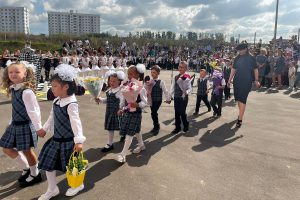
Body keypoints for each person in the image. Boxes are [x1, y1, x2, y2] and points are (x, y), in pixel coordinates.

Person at [37, 64, 86, 199]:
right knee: (48, 163)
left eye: (54, 86)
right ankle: (52, 188)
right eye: (52, 86)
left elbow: (76, 123)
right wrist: (44, 128)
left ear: (65, 87)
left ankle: (77, 185)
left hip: (69, 142)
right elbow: (52, 117)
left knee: (72, 167)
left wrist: (79, 141)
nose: (52, 89)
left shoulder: (71, 104)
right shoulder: (57, 101)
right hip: (56, 139)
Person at [0, 61, 43, 187]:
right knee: (7, 148)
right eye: (10, 72)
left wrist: (38, 128)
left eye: (17, 72)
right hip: (15, 124)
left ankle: (35, 174)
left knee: (27, 151)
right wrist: (10, 123)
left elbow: (34, 111)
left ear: (25, 74)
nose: (13, 74)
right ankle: (26, 167)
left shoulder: (27, 92)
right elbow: (16, 110)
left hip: (25, 125)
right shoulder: (14, 89)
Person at [117, 64, 147, 163]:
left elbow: (145, 102)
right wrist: (121, 108)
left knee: (130, 133)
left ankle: (123, 154)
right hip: (128, 111)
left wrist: (137, 105)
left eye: (131, 74)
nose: (129, 76)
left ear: (138, 75)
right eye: (128, 74)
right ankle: (141, 145)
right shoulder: (126, 85)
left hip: (136, 113)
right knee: (136, 130)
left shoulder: (141, 87)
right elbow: (123, 98)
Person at [227, 42, 260, 128]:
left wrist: (256, 80)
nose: (239, 51)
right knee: (238, 99)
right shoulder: (237, 58)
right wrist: (229, 80)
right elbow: (233, 69)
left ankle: (240, 119)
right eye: (238, 50)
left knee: (242, 99)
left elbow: (256, 69)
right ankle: (240, 114)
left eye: (240, 50)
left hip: (247, 81)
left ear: (245, 49)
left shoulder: (251, 58)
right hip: (237, 81)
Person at [95, 71, 125, 152]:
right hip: (109, 112)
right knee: (110, 128)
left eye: (114, 81)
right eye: (110, 81)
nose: (112, 82)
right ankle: (110, 144)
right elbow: (107, 100)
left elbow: (123, 101)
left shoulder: (120, 91)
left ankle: (124, 134)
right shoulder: (109, 90)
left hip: (118, 112)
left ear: (119, 81)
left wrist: (121, 109)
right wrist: (100, 99)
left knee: (122, 126)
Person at [169, 61, 192, 134]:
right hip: (176, 97)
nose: (180, 68)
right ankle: (177, 127)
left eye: (182, 67)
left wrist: (187, 92)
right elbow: (172, 88)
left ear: (186, 68)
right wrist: (169, 96)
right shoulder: (176, 77)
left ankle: (186, 125)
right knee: (177, 113)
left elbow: (190, 88)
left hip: (183, 97)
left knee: (182, 112)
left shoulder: (187, 77)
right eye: (179, 66)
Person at [147, 65, 170, 135]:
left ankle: (157, 127)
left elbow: (165, 91)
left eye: (154, 72)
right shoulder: (150, 81)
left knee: (153, 112)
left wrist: (168, 99)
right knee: (153, 113)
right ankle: (155, 126)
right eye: (151, 72)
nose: (152, 74)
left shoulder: (161, 82)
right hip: (151, 100)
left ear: (158, 73)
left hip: (158, 100)